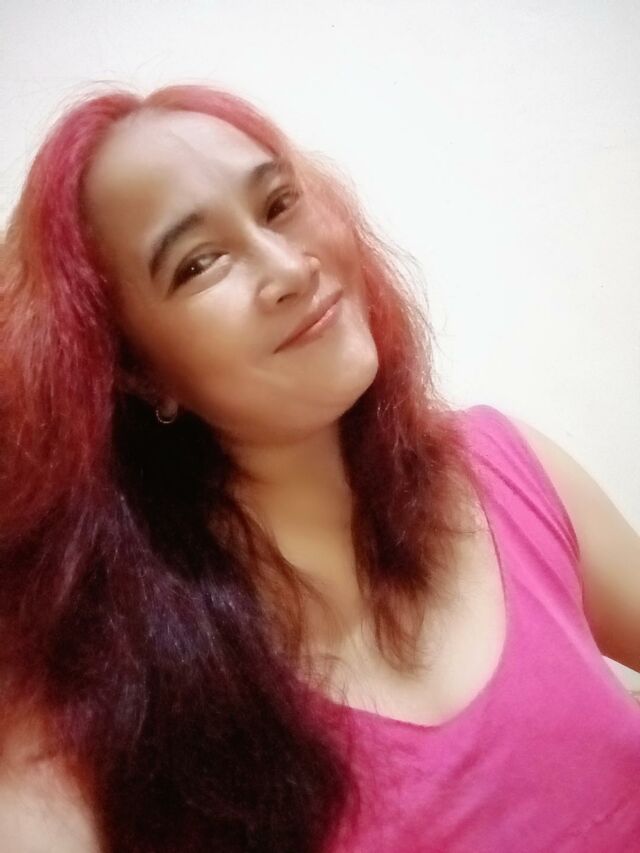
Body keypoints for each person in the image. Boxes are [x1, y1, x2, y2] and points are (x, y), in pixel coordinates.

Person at [0, 83, 638, 852]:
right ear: (138, 372)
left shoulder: (506, 467)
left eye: (279, 204)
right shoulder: (94, 702)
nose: (289, 269)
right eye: (198, 263)